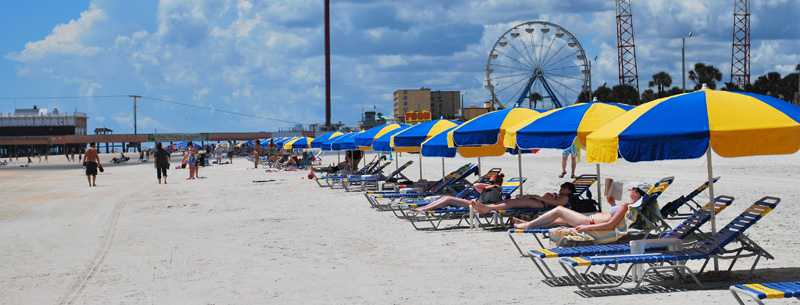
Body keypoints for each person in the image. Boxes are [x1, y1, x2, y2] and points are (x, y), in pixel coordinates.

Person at [509, 181, 651, 231]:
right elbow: (614, 218)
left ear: (637, 194)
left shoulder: (626, 206)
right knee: (559, 220)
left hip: (590, 221)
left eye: (632, 189)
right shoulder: (629, 206)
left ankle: (527, 226)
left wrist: (587, 227)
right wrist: (612, 204)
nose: (630, 191)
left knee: (559, 210)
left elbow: (610, 225)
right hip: (590, 218)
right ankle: (531, 223)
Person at [412, 174, 505, 212]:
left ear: (498, 183)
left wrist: (492, 185)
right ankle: (425, 207)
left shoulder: (498, 189)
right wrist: (488, 185)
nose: (489, 184)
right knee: (445, 198)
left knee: (448, 199)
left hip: (474, 205)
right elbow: (476, 185)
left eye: (492, 182)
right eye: (489, 182)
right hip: (472, 202)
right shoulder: (488, 188)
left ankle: (425, 209)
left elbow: (497, 187)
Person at [471, 182, 576, 214]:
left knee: (511, 204)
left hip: (540, 204)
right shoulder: (560, 195)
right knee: (509, 201)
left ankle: (487, 208)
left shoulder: (565, 199)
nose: (561, 188)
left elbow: (555, 204)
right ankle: (486, 207)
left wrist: (540, 198)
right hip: (537, 201)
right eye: (562, 186)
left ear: (569, 191)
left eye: (564, 187)